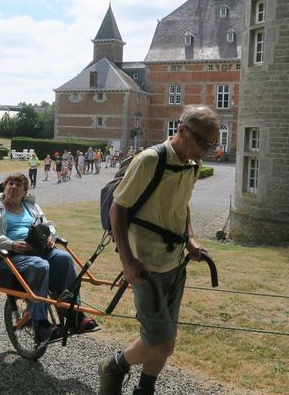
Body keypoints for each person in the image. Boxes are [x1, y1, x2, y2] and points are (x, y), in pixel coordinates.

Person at [98, 105, 220, 395]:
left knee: (166, 339)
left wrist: (190, 238)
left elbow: (181, 204)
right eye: (201, 142)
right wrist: (128, 261)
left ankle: (145, 389)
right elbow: (118, 208)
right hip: (146, 266)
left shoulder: (192, 164)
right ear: (181, 130)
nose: (205, 150)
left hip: (176, 263)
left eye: (211, 144)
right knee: (161, 342)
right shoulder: (150, 160)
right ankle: (113, 364)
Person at [0, 173, 98, 345]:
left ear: (25, 191)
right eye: (10, 183)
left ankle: (73, 315)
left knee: (64, 258)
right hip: (7, 258)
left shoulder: (31, 207)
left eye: (19, 184)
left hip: (37, 250)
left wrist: (51, 236)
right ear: (5, 187)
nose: (14, 187)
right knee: (40, 265)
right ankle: (40, 325)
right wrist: (10, 244)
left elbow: (48, 225)